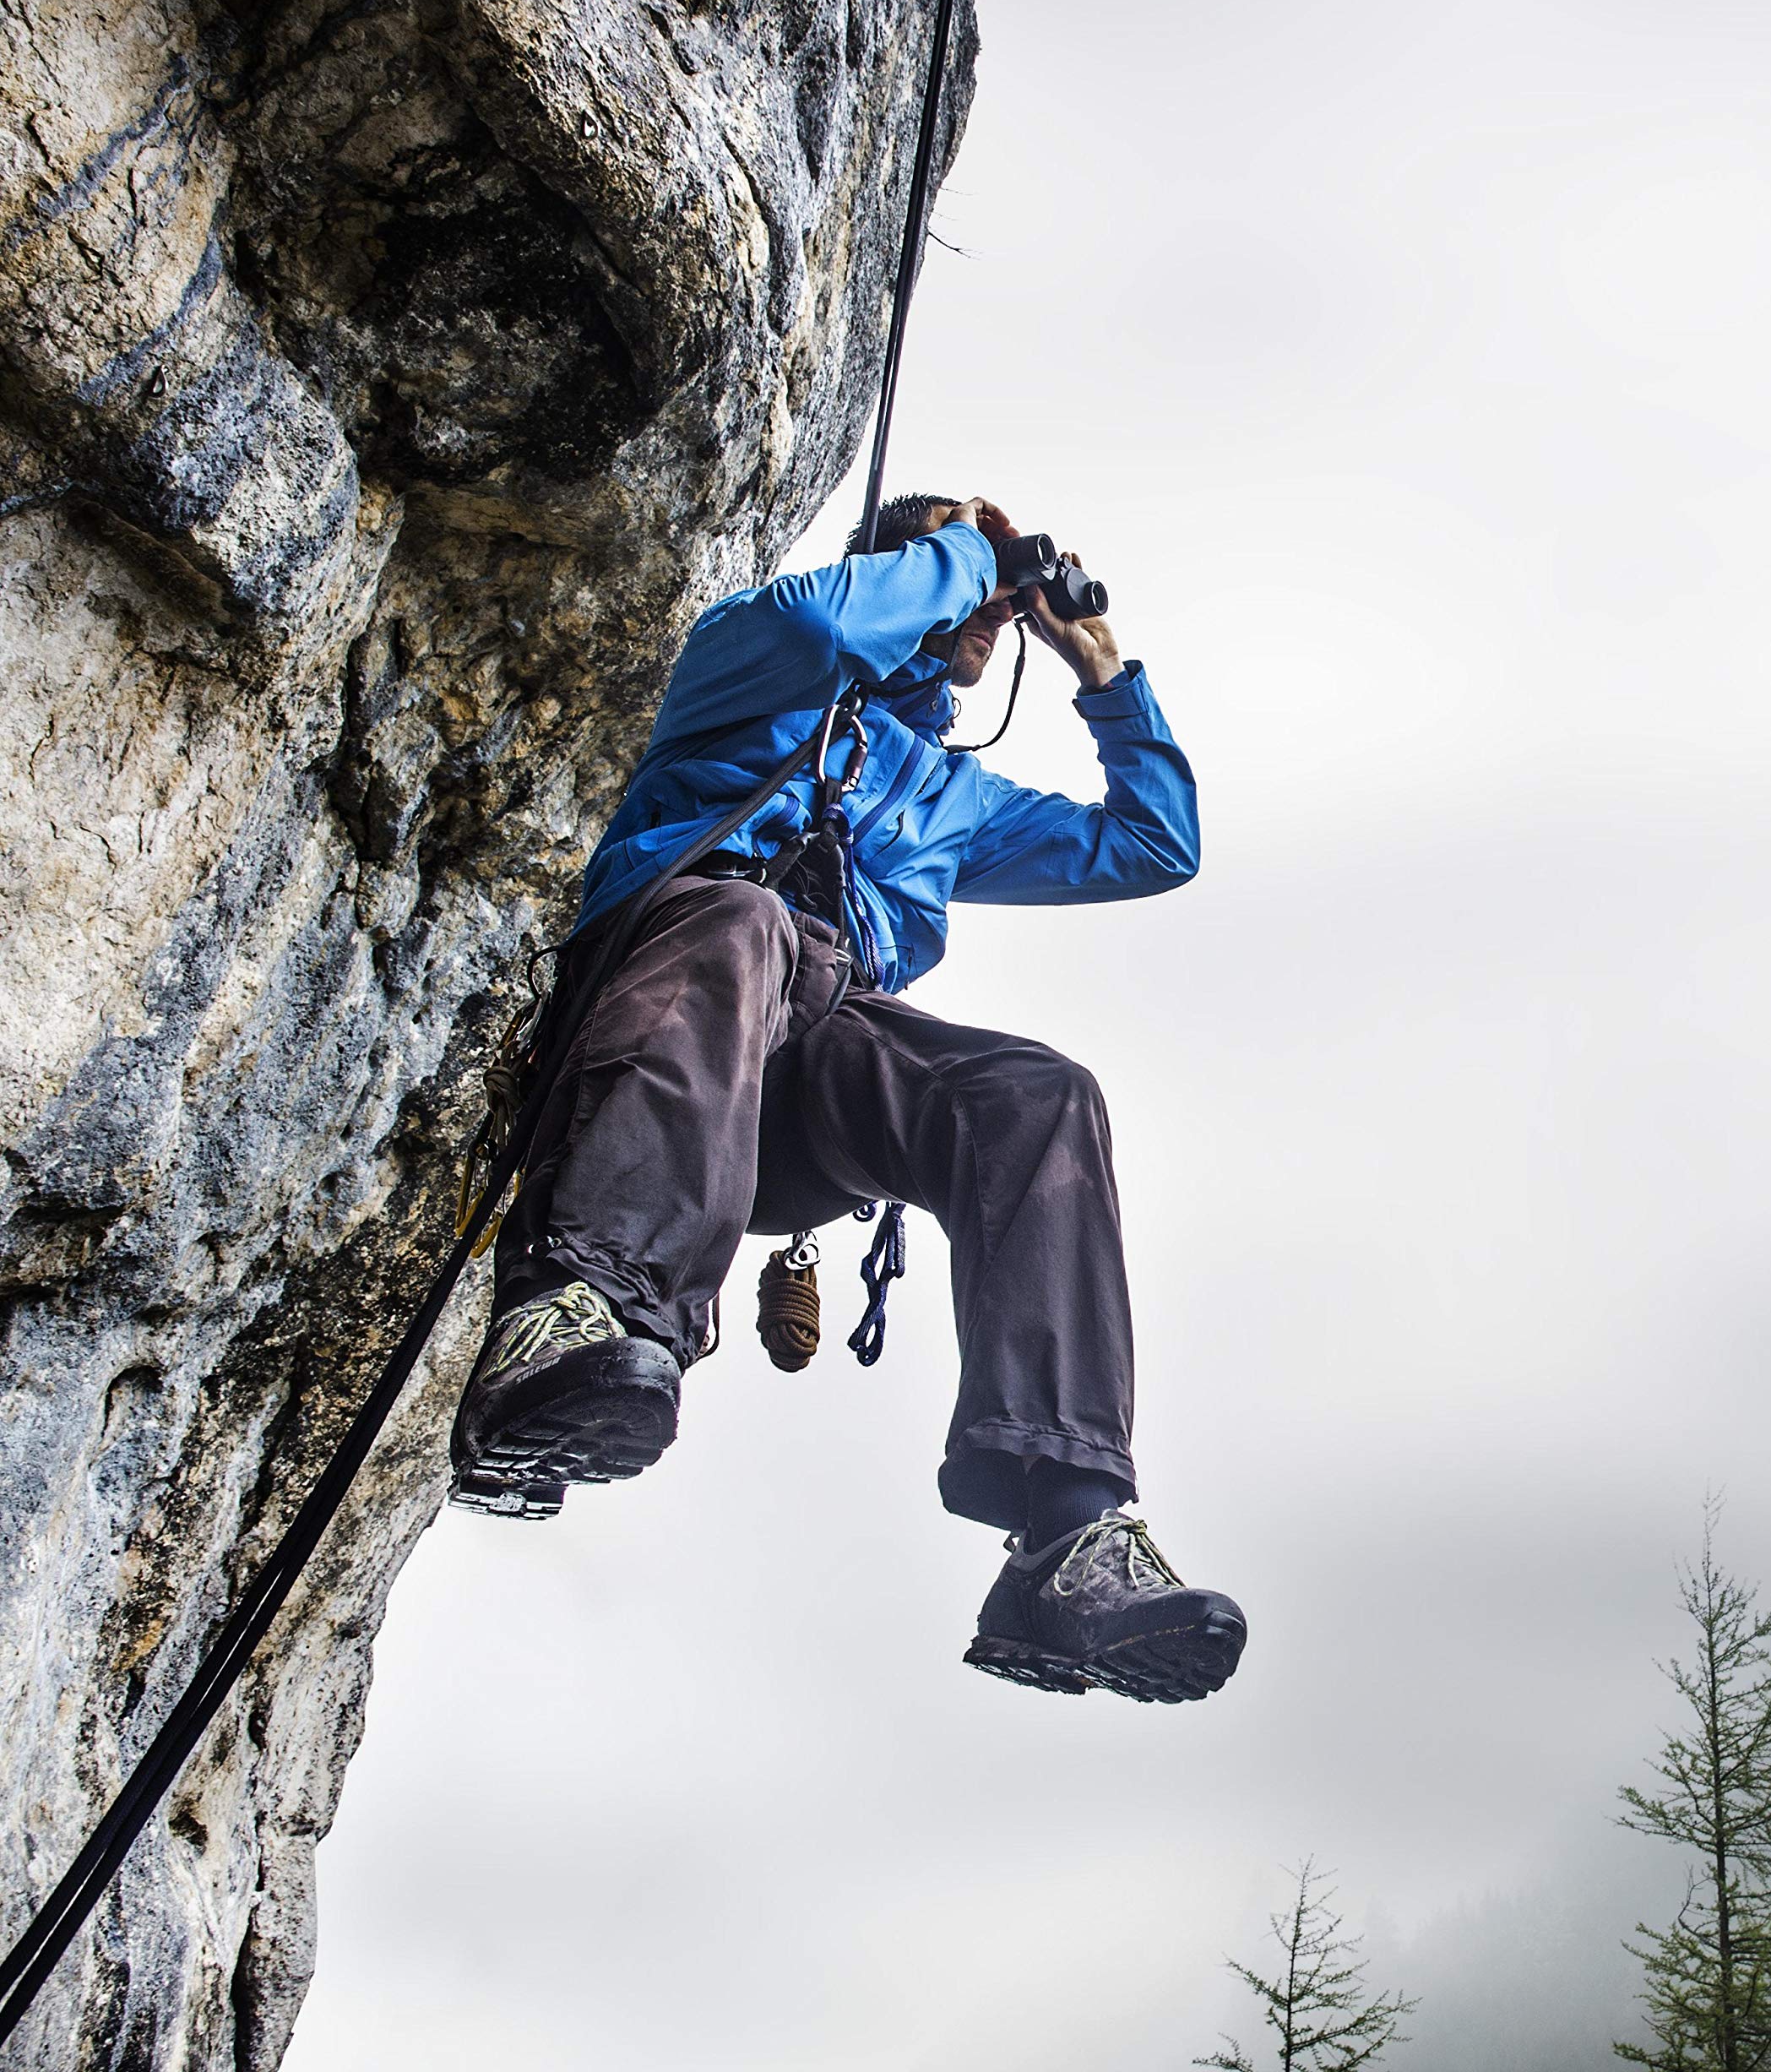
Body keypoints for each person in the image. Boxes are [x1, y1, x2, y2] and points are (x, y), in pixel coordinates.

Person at [447, 492, 1246, 1705]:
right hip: (659, 1002)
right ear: (903, 572)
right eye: (956, 565)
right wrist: (968, 549)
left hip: (800, 1079)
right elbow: (826, 638)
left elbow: (1153, 846)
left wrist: (1101, 667)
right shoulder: (750, 663)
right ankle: (578, 1315)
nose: (987, 597)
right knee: (746, 916)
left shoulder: (944, 793)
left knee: (1037, 1095)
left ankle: (1067, 1535)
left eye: (994, 575)